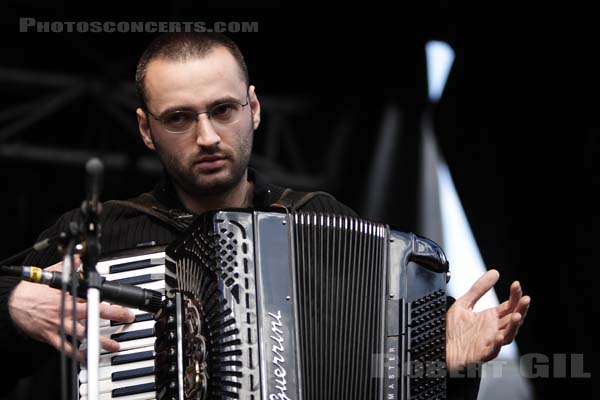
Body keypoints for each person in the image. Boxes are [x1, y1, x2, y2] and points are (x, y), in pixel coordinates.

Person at [0, 33, 530, 400]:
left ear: (253, 108)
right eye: (180, 118)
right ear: (145, 129)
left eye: (223, 110)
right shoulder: (109, 232)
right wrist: (14, 302)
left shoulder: (322, 223)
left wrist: (444, 364)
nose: (207, 136)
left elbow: (384, 381)